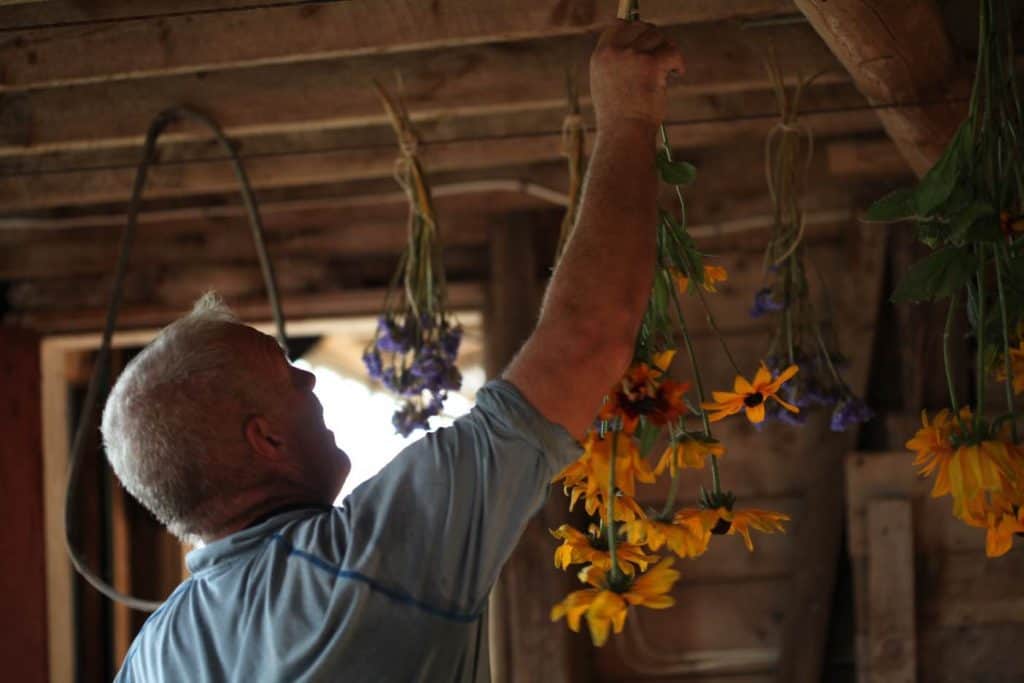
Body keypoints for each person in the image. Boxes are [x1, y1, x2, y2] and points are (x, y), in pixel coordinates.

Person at [104, 20, 683, 682]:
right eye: (284, 372)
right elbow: (587, 339)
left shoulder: (150, 658)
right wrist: (629, 117)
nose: (309, 383)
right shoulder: (366, 563)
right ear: (262, 438)